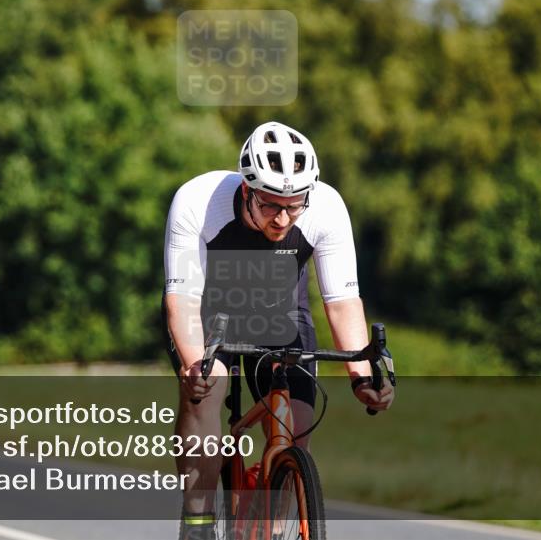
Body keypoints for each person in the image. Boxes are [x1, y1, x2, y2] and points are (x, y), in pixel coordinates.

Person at [163, 121, 395, 540]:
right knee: (205, 392)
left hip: (281, 318)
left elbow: (341, 304)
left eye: (294, 205)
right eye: (270, 205)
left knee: (297, 434)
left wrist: (363, 377)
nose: (283, 218)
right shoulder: (198, 201)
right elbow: (182, 302)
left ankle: (272, 509)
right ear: (246, 190)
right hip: (209, 318)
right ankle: (196, 520)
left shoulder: (326, 207)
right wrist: (196, 364)